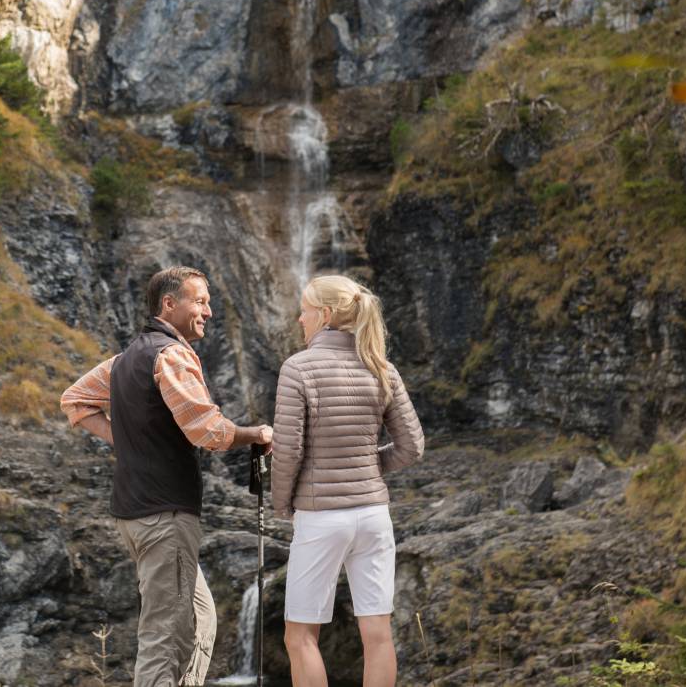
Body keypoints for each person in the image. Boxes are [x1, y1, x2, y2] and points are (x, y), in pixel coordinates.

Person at [61, 266, 274, 687]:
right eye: (199, 301)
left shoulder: (125, 360)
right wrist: (257, 434)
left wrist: (126, 441)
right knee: (166, 634)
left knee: (199, 619)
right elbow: (207, 430)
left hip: (135, 515)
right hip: (166, 517)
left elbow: (75, 400)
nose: (208, 311)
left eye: (208, 302)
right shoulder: (171, 355)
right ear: (169, 304)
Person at [270, 274, 424, 687]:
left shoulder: (298, 368)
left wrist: (282, 503)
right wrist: (366, 468)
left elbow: (287, 452)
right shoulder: (381, 367)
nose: (299, 318)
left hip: (321, 517)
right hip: (374, 515)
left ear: (324, 314)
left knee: (300, 635)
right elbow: (412, 447)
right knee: (377, 634)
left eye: (304, 310)